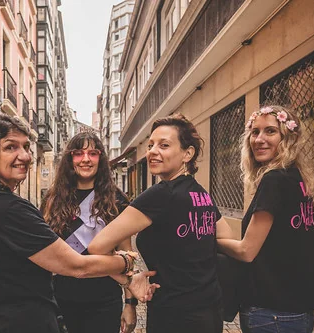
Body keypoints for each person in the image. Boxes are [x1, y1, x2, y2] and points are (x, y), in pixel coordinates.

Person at [0, 113, 154, 333]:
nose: (24, 156)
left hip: (97, 300)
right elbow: (77, 266)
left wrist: (129, 303)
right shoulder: (20, 207)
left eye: (25, 147)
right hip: (36, 311)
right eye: (10, 147)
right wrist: (126, 265)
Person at [89, 114, 232, 333]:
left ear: (188, 153)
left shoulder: (160, 196)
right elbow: (225, 238)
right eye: (151, 145)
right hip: (209, 311)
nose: (152, 151)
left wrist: (128, 280)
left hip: (175, 315)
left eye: (164, 145)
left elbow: (97, 246)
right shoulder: (201, 194)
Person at [217, 105, 314, 333]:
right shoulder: (299, 180)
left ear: (287, 137)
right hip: (299, 310)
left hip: (270, 313)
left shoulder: (274, 180)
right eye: (255, 132)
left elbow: (246, 251)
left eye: (270, 131)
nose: (259, 139)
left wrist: (211, 241)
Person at [40, 132, 137, 333]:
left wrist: (130, 304)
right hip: (59, 299)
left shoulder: (116, 200)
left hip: (104, 300)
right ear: (70, 159)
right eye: (78, 153)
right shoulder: (53, 199)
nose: (85, 159)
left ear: (100, 159)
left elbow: (127, 255)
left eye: (93, 153)